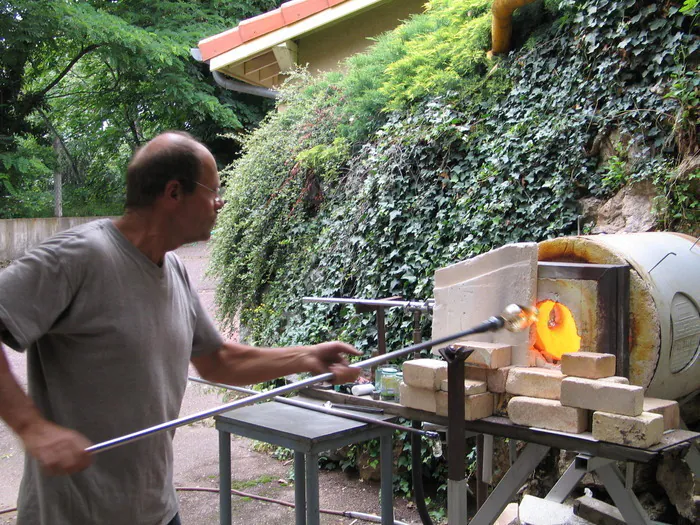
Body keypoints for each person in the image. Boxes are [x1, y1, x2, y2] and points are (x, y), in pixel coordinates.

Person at [0, 131, 361, 525]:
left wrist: (308, 357)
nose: (219, 204)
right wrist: (31, 428)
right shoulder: (77, 257)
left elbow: (218, 361)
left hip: (157, 510)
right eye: (214, 191)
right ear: (174, 193)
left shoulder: (173, 270)